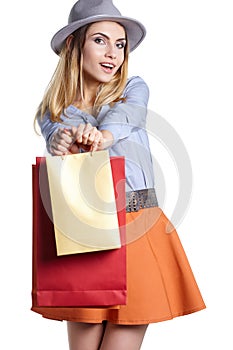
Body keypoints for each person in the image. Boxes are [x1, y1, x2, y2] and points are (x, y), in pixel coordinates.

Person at [32, 0, 206, 349]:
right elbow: (54, 136)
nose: (113, 53)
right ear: (73, 45)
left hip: (137, 225)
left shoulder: (132, 87)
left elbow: (129, 116)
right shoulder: (54, 111)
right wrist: (64, 139)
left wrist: (103, 136)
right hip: (84, 236)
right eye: (100, 40)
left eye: (120, 44)